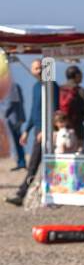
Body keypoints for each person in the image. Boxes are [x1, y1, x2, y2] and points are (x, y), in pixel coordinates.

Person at [6, 60, 47, 206]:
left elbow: (53, 109)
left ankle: (21, 195)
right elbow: (34, 111)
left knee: (35, 164)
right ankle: (22, 194)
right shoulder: (36, 86)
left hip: (46, 131)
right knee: (35, 165)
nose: (35, 71)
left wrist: (44, 129)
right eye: (34, 69)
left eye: (38, 68)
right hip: (37, 131)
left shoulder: (51, 86)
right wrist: (27, 131)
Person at [3, 61, 24, 170]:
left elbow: (12, 102)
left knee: (16, 140)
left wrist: (4, 114)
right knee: (16, 140)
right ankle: (20, 161)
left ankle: (21, 162)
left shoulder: (11, 86)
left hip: (13, 118)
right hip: (15, 117)